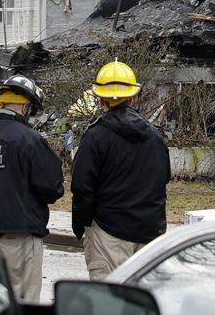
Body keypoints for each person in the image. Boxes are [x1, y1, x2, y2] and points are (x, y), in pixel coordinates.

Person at [0, 75, 63, 303]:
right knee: (24, 302)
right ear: (24, 107)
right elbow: (52, 188)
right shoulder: (30, 140)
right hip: (21, 237)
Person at [71, 60, 171, 280]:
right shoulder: (154, 137)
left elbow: (81, 188)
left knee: (109, 297)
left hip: (109, 234)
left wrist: (82, 225)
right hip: (150, 234)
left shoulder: (94, 137)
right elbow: (164, 178)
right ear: (133, 97)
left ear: (100, 99)